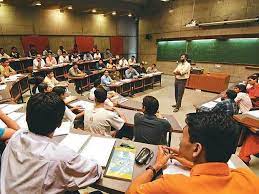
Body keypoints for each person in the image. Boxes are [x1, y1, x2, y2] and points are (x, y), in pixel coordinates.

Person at [127, 112, 259, 194]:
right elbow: (214, 168)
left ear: (196, 149)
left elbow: (131, 192)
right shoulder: (247, 177)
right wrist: (181, 156)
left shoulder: (171, 185)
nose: (179, 142)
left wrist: (156, 166)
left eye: (182, 137)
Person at [1, 92, 102, 194]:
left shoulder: (15, 137)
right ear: (59, 123)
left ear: (27, 117)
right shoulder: (60, 156)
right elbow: (95, 171)